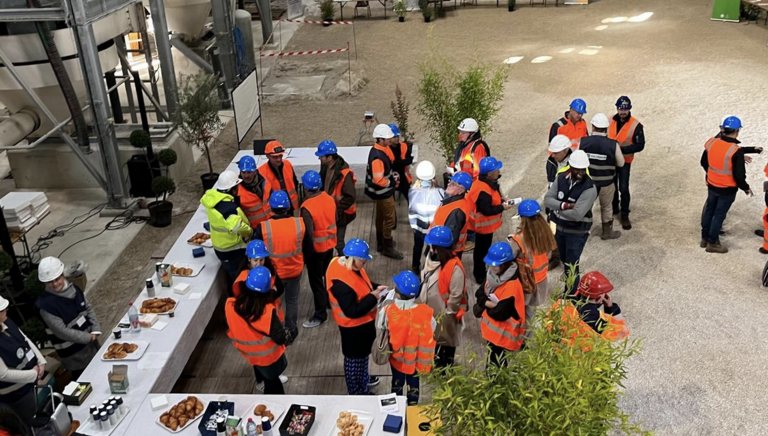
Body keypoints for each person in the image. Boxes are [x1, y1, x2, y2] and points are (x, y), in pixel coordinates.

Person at [326, 239, 386, 395]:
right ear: (352, 259)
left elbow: (361, 282)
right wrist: (373, 297)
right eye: (363, 260)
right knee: (354, 360)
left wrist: (375, 287)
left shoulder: (344, 264)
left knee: (363, 356)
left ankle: (363, 379)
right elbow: (352, 311)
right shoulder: (341, 284)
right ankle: (357, 391)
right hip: (352, 329)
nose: (365, 263)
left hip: (362, 326)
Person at [253, 190, 309, 342]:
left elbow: (257, 251)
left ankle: (275, 331)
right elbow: (308, 247)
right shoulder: (299, 224)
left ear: (271, 208)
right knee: (292, 300)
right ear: (288, 207)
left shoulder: (263, 227)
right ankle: (291, 330)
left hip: (274, 274)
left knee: (273, 303)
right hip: (294, 270)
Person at [225, 267, 290, 395]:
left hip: (251, 355)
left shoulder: (231, 305)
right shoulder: (267, 312)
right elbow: (281, 337)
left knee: (269, 382)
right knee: (274, 387)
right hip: (269, 357)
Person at [700, 116, 760, 253]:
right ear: (737, 131)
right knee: (719, 215)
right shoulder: (735, 151)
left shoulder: (711, 142)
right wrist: (746, 188)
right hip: (727, 189)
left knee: (709, 211)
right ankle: (713, 243)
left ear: (723, 129)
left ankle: (704, 239)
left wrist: (711, 174)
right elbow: (739, 176)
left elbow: (704, 162)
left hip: (712, 184)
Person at [35, 256, 100, 380]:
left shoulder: (75, 289)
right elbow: (62, 332)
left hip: (92, 345)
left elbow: (88, 308)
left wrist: (96, 329)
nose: (55, 284)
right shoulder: (46, 306)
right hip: (74, 356)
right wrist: (89, 337)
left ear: (63, 275)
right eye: (50, 281)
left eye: (57, 279)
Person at [377, 270, 436, 405]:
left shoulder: (388, 310)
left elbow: (381, 326)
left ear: (397, 292)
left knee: (396, 384)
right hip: (415, 361)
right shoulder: (425, 312)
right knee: (413, 385)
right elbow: (432, 327)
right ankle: (412, 407)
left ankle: (395, 408)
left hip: (397, 360)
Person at [544, 150, 597, 284]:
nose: (580, 173)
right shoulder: (561, 178)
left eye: (583, 170)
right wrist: (565, 206)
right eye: (577, 169)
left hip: (577, 232)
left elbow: (577, 215)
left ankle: (572, 293)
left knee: (571, 265)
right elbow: (548, 200)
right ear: (570, 167)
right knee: (564, 259)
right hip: (560, 228)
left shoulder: (590, 188)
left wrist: (557, 209)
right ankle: (570, 284)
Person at [419, 226, 468, 368]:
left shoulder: (455, 269)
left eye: (431, 244)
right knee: (437, 342)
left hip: (445, 315)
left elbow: (456, 296)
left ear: (438, 248)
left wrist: (447, 314)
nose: (429, 246)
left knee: (447, 343)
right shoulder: (432, 258)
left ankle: (446, 367)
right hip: (432, 312)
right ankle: (439, 364)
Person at [507, 200, 556, 334]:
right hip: (540, 280)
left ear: (523, 219)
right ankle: (529, 337)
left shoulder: (518, 239)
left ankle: (524, 338)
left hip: (525, 283)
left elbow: (509, 260)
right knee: (531, 313)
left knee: (521, 313)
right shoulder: (546, 232)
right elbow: (548, 254)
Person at [473, 242, 525, 368]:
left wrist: (485, 303)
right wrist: (488, 303)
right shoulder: (493, 275)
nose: (492, 267)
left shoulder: (512, 286)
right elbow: (479, 293)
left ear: (505, 264)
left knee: (497, 363)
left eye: (495, 265)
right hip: (494, 333)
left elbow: (499, 313)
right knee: (493, 360)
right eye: (491, 264)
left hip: (503, 335)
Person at [551, 271, 629, 351]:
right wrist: (611, 308)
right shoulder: (597, 321)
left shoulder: (561, 303)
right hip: (580, 357)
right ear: (599, 298)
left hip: (556, 351)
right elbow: (622, 331)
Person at [578, 113, 625, 240]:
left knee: (586, 206)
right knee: (606, 207)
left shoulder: (583, 141)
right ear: (606, 128)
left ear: (593, 127)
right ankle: (606, 232)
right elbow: (621, 163)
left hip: (588, 182)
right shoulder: (612, 144)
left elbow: (577, 160)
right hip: (607, 182)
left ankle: (583, 230)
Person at [201, 170, 253, 285]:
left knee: (231, 277)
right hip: (233, 250)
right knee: (240, 280)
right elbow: (236, 226)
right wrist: (249, 231)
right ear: (233, 189)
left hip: (220, 247)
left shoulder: (213, 199)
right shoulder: (229, 208)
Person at [0, 296, 46, 427]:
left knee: (40, 414)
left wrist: (40, 361)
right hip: (17, 394)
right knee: (33, 425)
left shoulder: (6, 321)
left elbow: (25, 339)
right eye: (2, 310)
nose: (6, 312)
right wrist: (33, 374)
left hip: (29, 383)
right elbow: (3, 374)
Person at [300, 170, 337, 329]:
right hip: (330, 245)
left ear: (306, 187)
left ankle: (320, 315)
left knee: (316, 283)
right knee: (327, 277)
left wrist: (305, 256)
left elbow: (308, 235)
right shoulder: (329, 198)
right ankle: (329, 302)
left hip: (316, 250)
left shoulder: (307, 207)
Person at [468, 156, 513, 284]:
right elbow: (487, 210)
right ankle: (479, 275)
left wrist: (501, 199)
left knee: (482, 249)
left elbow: (493, 195)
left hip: (485, 226)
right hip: (483, 227)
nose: (499, 171)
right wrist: (502, 207)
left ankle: (480, 271)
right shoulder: (483, 190)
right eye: (496, 170)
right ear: (489, 173)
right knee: (481, 250)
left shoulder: (486, 183)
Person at [365, 124, 404, 259]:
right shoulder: (377, 157)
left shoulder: (380, 150)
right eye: (388, 138)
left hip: (380, 193)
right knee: (390, 220)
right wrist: (391, 182)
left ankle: (381, 244)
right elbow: (378, 180)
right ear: (380, 139)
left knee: (380, 217)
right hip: (384, 193)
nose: (390, 140)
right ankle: (387, 246)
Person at [608, 96, 646, 230]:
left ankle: (624, 215)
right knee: (611, 186)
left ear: (629, 109)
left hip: (625, 161)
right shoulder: (609, 121)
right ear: (617, 108)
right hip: (610, 160)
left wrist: (622, 150)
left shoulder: (636, 126)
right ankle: (614, 207)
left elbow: (640, 145)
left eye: (625, 109)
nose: (623, 112)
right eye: (620, 109)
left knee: (623, 188)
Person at [317, 140, 357, 256]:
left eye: (321, 156)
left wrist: (337, 210)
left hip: (341, 214)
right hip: (330, 212)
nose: (319, 158)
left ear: (329, 157)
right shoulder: (325, 167)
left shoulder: (344, 173)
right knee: (330, 240)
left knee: (339, 243)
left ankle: (344, 261)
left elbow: (350, 196)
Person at [408, 161, 445, 273]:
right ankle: (429, 268)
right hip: (433, 228)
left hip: (418, 227)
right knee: (433, 248)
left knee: (417, 246)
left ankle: (415, 266)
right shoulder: (440, 192)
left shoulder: (412, 191)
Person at [545, 135, 573, 269]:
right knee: (552, 230)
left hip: (568, 204)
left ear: (565, 151)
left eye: (556, 152)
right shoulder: (551, 162)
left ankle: (568, 258)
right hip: (554, 202)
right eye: (552, 152)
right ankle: (555, 255)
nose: (553, 155)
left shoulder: (575, 163)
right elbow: (550, 182)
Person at [432, 172, 473, 257]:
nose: (449, 184)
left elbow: (450, 239)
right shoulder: (453, 202)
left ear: (461, 191)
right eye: (450, 181)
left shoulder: (456, 211)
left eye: (453, 184)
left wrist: (439, 254)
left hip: (446, 252)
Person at [258, 141, 300, 213]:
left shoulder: (288, 164)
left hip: (292, 205)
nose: (279, 159)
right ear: (267, 156)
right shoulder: (261, 172)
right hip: (276, 210)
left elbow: (295, 182)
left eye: (280, 156)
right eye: (275, 157)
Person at [236, 155, 273, 229]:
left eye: (249, 172)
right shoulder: (236, 189)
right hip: (253, 229)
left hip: (270, 224)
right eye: (243, 172)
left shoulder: (264, 182)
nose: (246, 175)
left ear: (255, 171)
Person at [390, 124, 414, 201]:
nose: (397, 138)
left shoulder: (404, 146)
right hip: (391, 178)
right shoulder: (386, 149)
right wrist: (401, 162)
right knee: (390, 201)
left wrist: (396, 163)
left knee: (410, 198)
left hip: (404, 177)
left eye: (397, 136)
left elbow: (409, 160)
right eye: (394, 137)